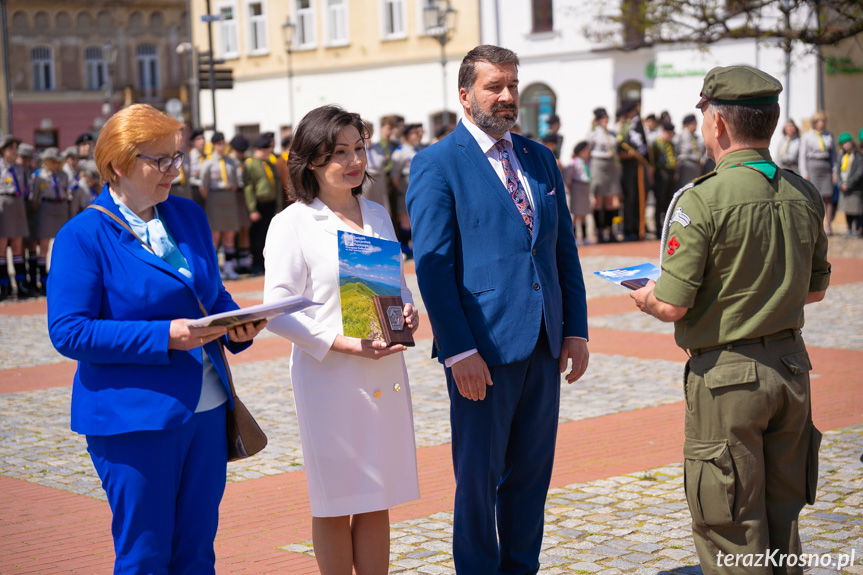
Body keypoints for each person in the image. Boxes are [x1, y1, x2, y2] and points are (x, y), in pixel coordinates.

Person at [47, 103, 267, 574]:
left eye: (177, 158)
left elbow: (211, 292)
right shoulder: (82, 236)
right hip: (133, 418)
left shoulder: (186, 215)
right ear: (119, 165)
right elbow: (69, 331)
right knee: (145, 556)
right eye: (160, 161)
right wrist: (163, 336)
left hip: (207, 410)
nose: (173, 171)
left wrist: (236, 323)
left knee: (196, 552)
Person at [630, 65, 830, 575]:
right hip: (790, 369)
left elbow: (673, 304)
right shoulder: (803, 193)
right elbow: (816, 288)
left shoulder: (701, 199)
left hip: (727, 379)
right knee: (784, 519)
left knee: (731, 529)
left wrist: (645, 297)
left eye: (704, 118)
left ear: (718, 125)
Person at [407, 45, 589, 575]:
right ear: (465, 95)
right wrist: (458, 348)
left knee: (531, 477)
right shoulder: (437, 164)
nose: (508, 96)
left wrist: (575, 330)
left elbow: (561, 251)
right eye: (495, 86)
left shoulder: (538, 157)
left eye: (512, 84)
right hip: (481, 349)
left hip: (543, 343)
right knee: (478, 481)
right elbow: (433, 267)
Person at [263, 105, 420, 575]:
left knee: (378, 494)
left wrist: (408, 309)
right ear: (311, 161)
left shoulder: (375, 213)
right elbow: (276, 309)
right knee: (334, 498)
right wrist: (339, 342)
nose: (353, 161)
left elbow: (396, 282)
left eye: (358, 148)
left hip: (384, 366)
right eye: (339, 153)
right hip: (329, 378)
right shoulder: (292, 223)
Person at [200, 131, 242, 280]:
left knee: (229, 236)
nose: (221, 147)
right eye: (218, 144)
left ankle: (230, 268)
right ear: (213, 145)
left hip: (229, 198)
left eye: (223, 144)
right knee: (215, 236)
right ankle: (216, 270)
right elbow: (203, 186)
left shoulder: (232, 161)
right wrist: (211, 198)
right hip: (214, 198)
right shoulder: (208, 163)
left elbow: (237, 181)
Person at [31, 147, 72, 294]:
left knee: (62, 243)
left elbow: (68, 192)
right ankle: (42, 279)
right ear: (46, 162)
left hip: (61, 207)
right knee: (44, 246)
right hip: (46, 208)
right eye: (52, 161)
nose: (55, 164)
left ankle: (61, 278)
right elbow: (35, 198)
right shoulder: (39, 176)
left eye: (57, 161)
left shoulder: (64, 176)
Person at [0, 134, 32, 300]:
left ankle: (21, 284)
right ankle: (4, 284)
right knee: (2, 245)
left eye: (15, 148)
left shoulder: (20, 168)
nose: (14, 151)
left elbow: (27, 188)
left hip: (18, 205)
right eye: (11, 148)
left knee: (18, 245)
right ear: (3, 150)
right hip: (3, 204)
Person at [243, 133, 281, 274]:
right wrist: (252, 209)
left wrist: (278, 205)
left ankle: (266, 263)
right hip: (259, 204)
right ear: (258, 149)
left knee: (268, 236)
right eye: (264, 149)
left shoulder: (270, 164)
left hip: (270, 203)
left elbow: (276, 185)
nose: (267, 152)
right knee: (257, 237)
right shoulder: (251, 164)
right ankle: (257, 264)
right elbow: (248, 187)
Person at [588, 106, 622, 242]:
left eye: (606, 118)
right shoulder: (593, 134)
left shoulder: (612, 133)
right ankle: (599, 230)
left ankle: (610, 229)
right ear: (597, 120)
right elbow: (588, 149)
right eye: (602, 118)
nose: (605, 121)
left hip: (611, 165)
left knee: (611, 200)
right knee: (598, 200)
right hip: (598, 164)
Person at [799, 111, 837, 234]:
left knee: (828, 197)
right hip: (812, 166)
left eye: (824, 121)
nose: (822, 124)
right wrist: (804, 172)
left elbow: (834, 156)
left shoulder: (829, 136)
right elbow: (802, 156)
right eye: (820, 121)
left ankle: (828, 225)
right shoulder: (807, 136)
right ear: (815, 123)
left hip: (826, 166)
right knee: (814, 196)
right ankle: (815, 224)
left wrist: (834, 171)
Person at [229, 134, 253, 274]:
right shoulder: (229, 161)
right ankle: (234, 260)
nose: (241, 154)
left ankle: (244, 259)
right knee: (232, 231)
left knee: (244, 227)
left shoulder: (244, 161)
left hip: (242, 196)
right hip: (231, 197)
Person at [651, 121, 678, 239]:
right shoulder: (656, 144)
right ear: (664, 132)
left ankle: (666, 227)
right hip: (660, 173)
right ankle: (658, 228)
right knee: (659, 202)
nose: (670, 136)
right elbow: (652, 162)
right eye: (669, 133)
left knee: (668, 202)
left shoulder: (671, 144)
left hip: (670, 173)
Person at [564, 140, 592, 244]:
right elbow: (568, 176)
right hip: (577, 186)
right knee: (576, 212)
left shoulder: (587, 162)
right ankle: (575, 236)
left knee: (584, 212)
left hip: (585, 187)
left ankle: (585, 236)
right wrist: (569, 186)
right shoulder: (574, 161)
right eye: (586, 150)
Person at [837, 132, 863, 236]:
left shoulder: (858, 156)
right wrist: (841, 183)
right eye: (843, 143)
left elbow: (859, 172)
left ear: (852, 143)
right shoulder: (841, 156)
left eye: (847, 142)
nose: (846, 145)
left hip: (855, 188)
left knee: (856, 211)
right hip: (844, 188)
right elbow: (837, 171)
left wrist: (849, 183)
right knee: (847, 210)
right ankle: (849, 229)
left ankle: (857, 230)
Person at [675, 113, 705, 188]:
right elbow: (676, 151)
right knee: (685, 188)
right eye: (694, 123)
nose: (696, 126)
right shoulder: (680, 136)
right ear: (688, 124)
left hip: (696, 168)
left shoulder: (697, 137)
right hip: (686, 166)